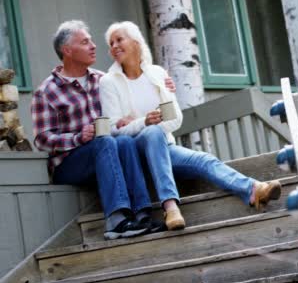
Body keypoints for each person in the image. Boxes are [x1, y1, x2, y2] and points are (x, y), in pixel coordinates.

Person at [99, 21, 282, 231]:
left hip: (164, 147)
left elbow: (175, 119)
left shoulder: (156, 74)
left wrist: (136, 121)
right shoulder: (108, 82)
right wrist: (145, 121)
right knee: (151, 132)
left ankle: (253, 190)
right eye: (110, 43)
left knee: (203, 160)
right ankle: (170, 207)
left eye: (119, 39)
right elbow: (114, 129)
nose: (114, 46)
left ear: (136, 42)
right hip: (134, 155)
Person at [31, 20, 174, 240]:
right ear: (67, 50)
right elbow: (41, 140)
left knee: (124, 142)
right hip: (69, 164)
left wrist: (164, 85)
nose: (94, 46)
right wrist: (78, 137)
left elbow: (139, 86)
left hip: (108, 156)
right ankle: (116, 221)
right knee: (106, 142)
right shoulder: (47, 91)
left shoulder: (103, 80)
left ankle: (143, 215)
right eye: (85, 42)